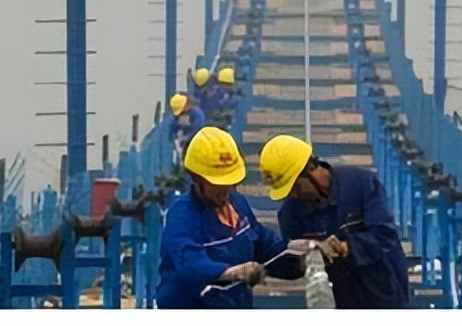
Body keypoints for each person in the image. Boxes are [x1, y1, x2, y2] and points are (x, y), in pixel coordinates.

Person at [157, 127, 305, 308]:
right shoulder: (182, 215)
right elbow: (188, 262)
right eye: (217, 183)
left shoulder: (238, 205)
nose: (225, 190)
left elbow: (265, 245)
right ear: (197, 179)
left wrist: (304, 257)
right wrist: (231, 273)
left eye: (229, 182)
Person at [258, 135, 410, 309]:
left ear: (311, 170)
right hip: (343, 299)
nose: (294, 196)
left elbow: (384, 234)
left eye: (296, 188)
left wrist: (346, 248)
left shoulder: (361, 184)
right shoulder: (291, 213)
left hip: (387, 293)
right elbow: (293, 262)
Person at [170, 93, 207, 165]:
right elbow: (172, 130)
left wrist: (188, 128)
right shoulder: (177, 117)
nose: (182, 114)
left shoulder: (197, 114)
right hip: (181, 147)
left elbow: (198, 131)